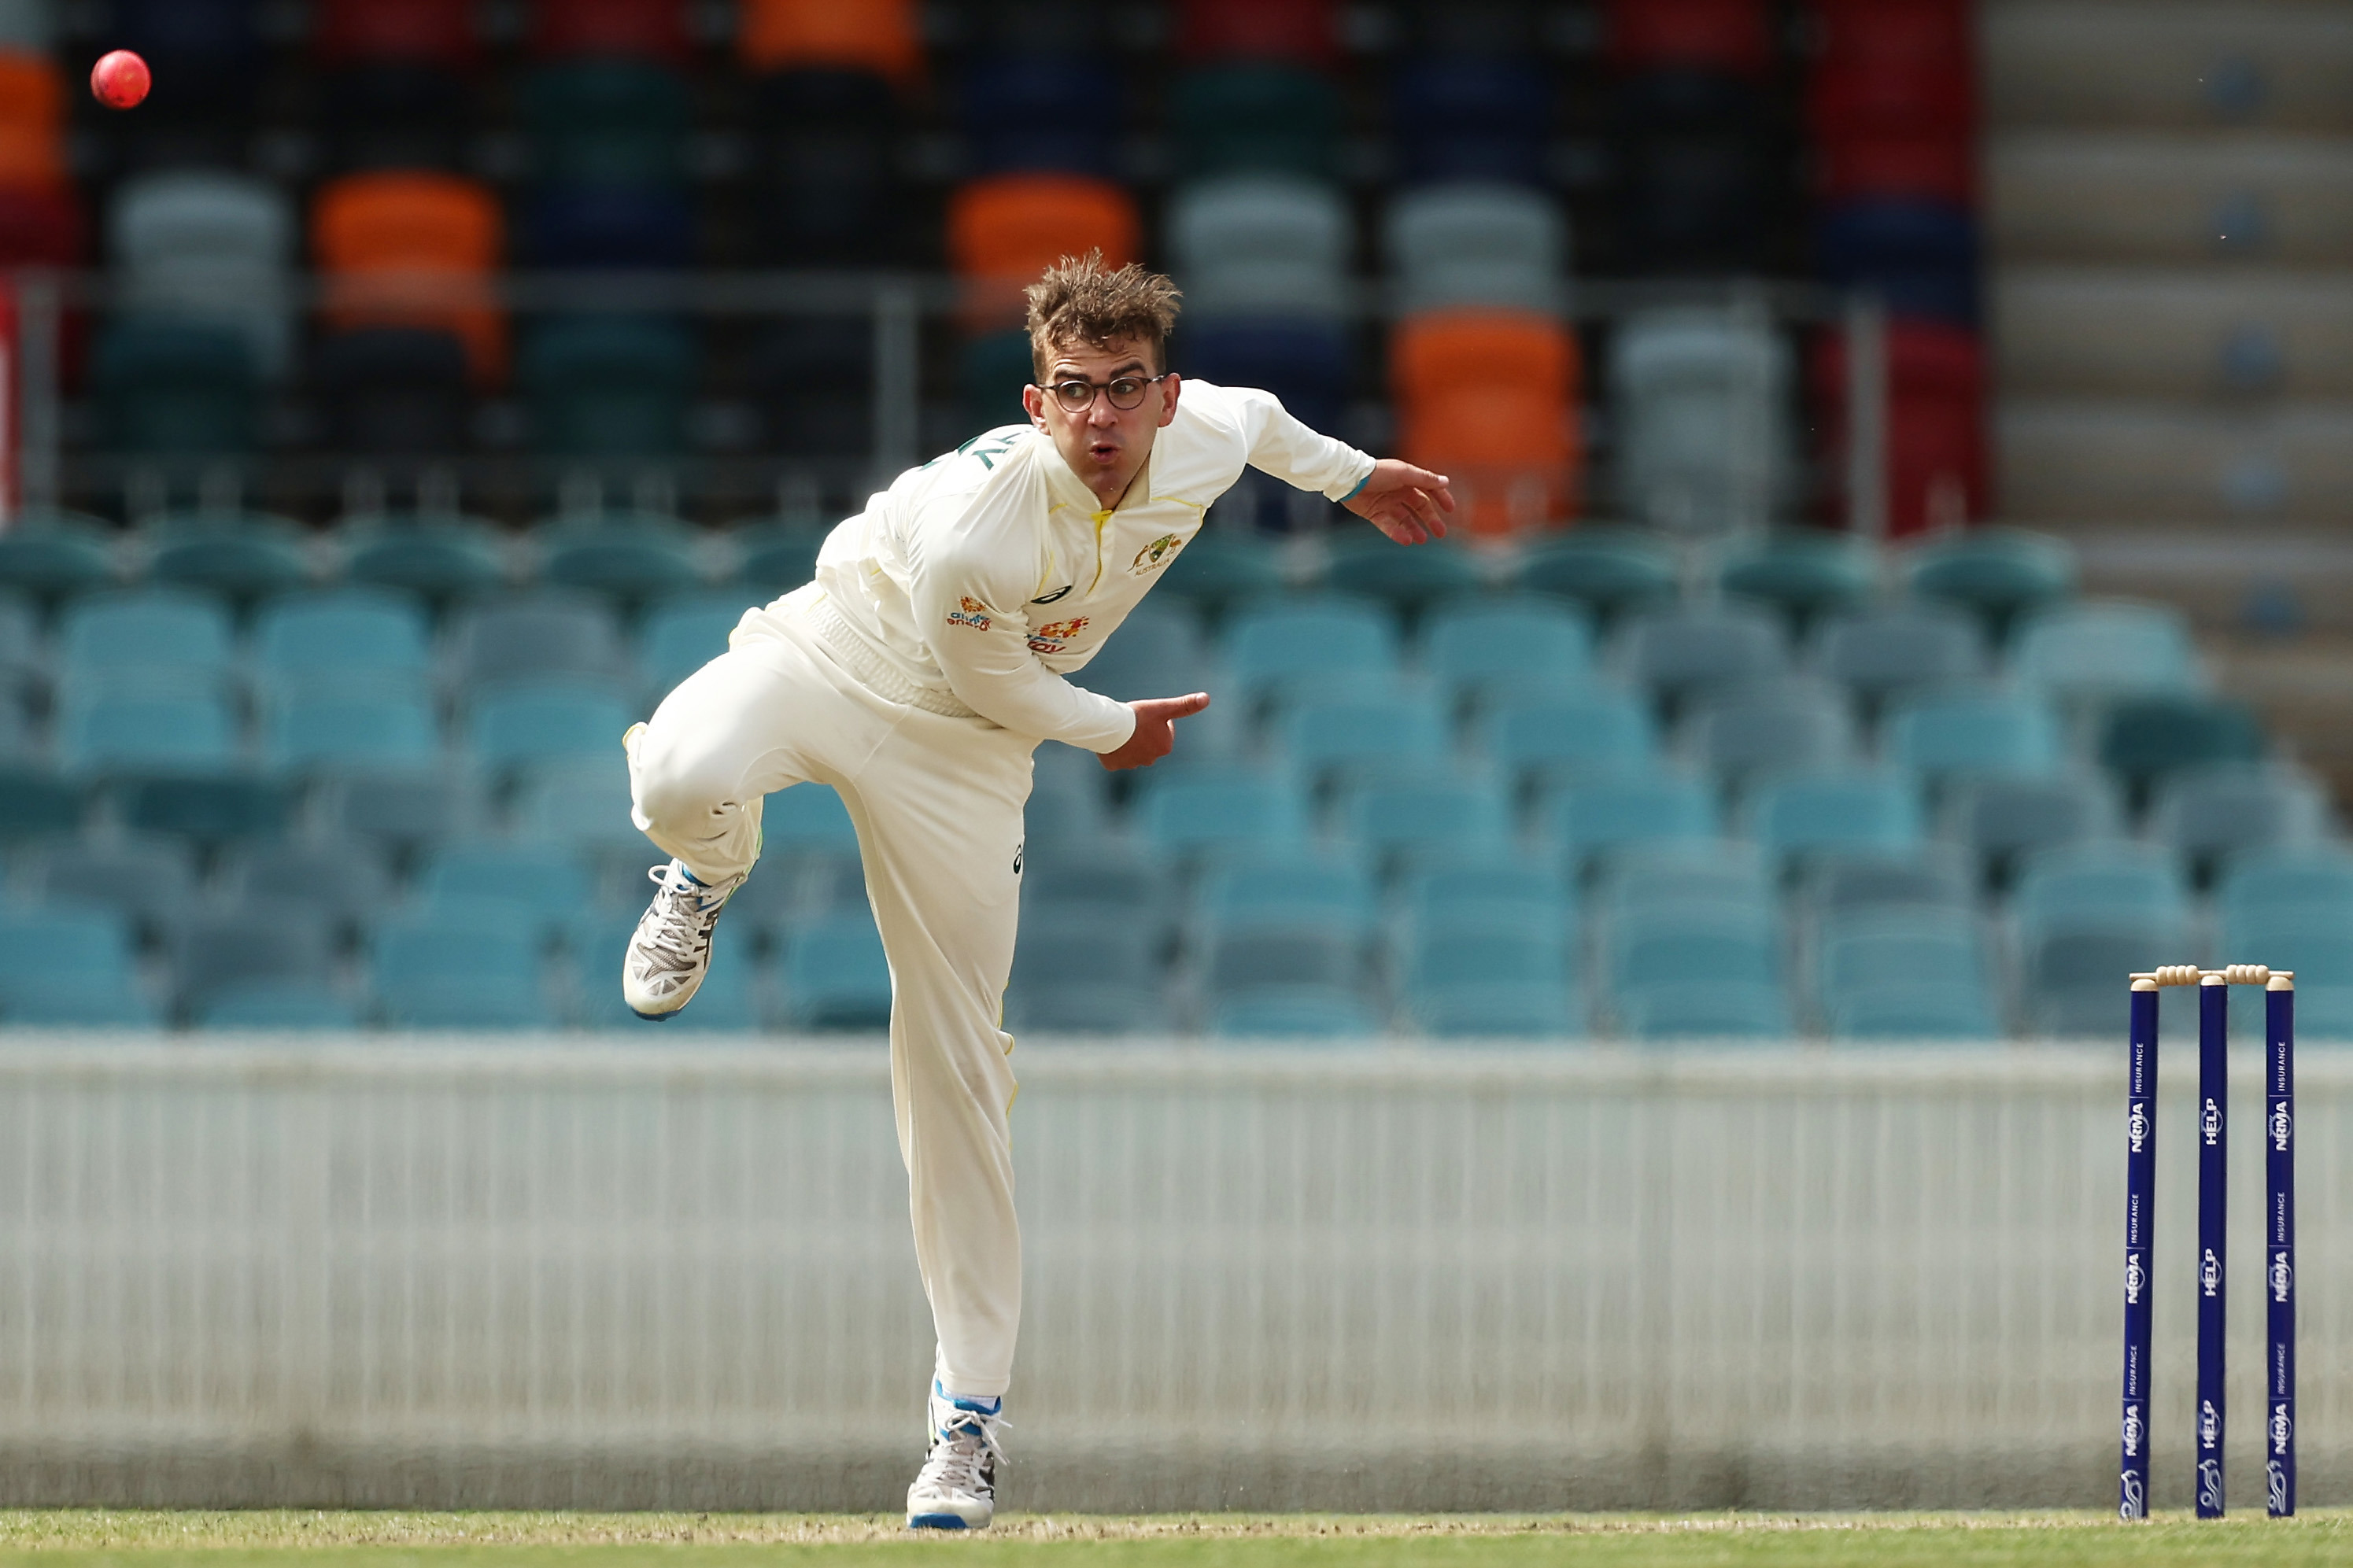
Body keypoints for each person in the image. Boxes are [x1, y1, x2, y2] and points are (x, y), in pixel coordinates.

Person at [620, 253, 1452, 1529]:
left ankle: (964, 1425)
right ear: (1033, 401)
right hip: (835, 655)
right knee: (681, 769)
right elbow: (1008, 681)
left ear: (1166, 396)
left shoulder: (1206, 428)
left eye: (1126, 389)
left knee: (956, 1067)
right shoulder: (977, 526)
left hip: (960, 756)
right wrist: (1115, 724)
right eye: (1075, 392)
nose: (1102, 420)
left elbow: (1269, 424)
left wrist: (1354, 478)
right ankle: (710, 866)